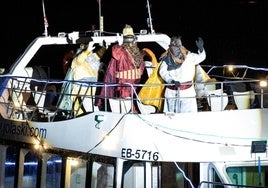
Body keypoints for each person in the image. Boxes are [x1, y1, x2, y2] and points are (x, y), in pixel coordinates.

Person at [97, 24, 145, 112]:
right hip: (135, 85)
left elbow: (115, 52)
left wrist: (119, 43)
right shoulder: (137, 52)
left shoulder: (121, 51)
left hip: (123, 86)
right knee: (132, 103)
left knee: (123, 106)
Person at [158, 36, 206, 113]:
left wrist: (201, 49)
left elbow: (201, 57)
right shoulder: (166, 58)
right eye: (173, 44)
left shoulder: (189, 56)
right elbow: (162, 72)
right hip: (172, 93)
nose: (176, 46)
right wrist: (171, 80)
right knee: (172, 116)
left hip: (187, 93)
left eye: (178, 44)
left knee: (188, 117)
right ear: (170, 46)